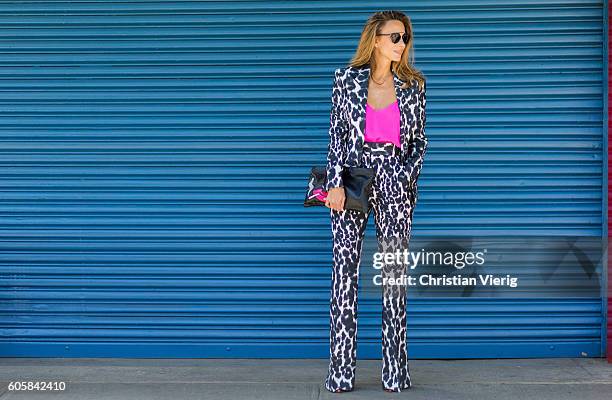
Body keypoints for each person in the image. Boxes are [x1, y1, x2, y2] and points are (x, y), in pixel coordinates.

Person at [323, 10, 428, 393]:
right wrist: (334, 183)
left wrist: (405, 176)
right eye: (395, 37)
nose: (402, 44)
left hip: (396, 185)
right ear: (376, 38)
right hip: (352, 182)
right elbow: (336, 137)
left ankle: (395, 372)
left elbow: (419, 142)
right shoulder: (345, 80)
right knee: (344, 279)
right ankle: (340, 372)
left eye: (405, 37)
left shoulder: (414, 85)